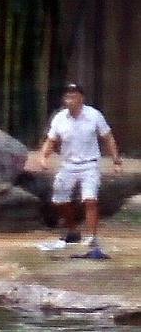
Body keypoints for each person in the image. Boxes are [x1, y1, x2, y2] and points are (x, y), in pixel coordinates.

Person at [39, 83, 122, 248]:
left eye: (74, 95)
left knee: (90, 199)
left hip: (89, 164)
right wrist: (43, 156)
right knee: (59, 200)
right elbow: (51, 140)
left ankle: (92, 236)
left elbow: (108, 137)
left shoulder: (94, 115)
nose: (70, 99)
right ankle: (72, 230)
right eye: (67, 96)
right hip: (68, 164)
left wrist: (116, 160)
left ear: (81, 98)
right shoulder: (60, 118)